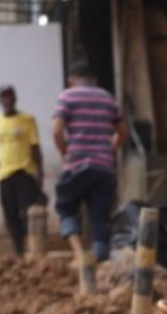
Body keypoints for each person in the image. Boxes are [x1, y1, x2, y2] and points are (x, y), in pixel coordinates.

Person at [52, 61, 126, 267]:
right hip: (104, 167)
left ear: (71, 80)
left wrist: (66, 152)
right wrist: (109, 149)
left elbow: (57, 130)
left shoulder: (67, 96)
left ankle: (78, 254)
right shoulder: (108, 98)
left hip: (77, 164)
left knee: (66, 208)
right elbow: (123, 132)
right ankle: (99, 260)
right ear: (95, 79)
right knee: (100, 216)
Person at [0, 85, 43, 256]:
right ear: (0, 100)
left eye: (10, 96)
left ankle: (32, 247)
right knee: (10, 215)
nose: (7, 100)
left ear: (15, 98)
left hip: (25, 172)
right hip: (4, 175)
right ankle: (19, 251)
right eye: (4, 97)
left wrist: (40, 172)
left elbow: (35, 147)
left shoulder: (27, 119)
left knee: (28, 212)